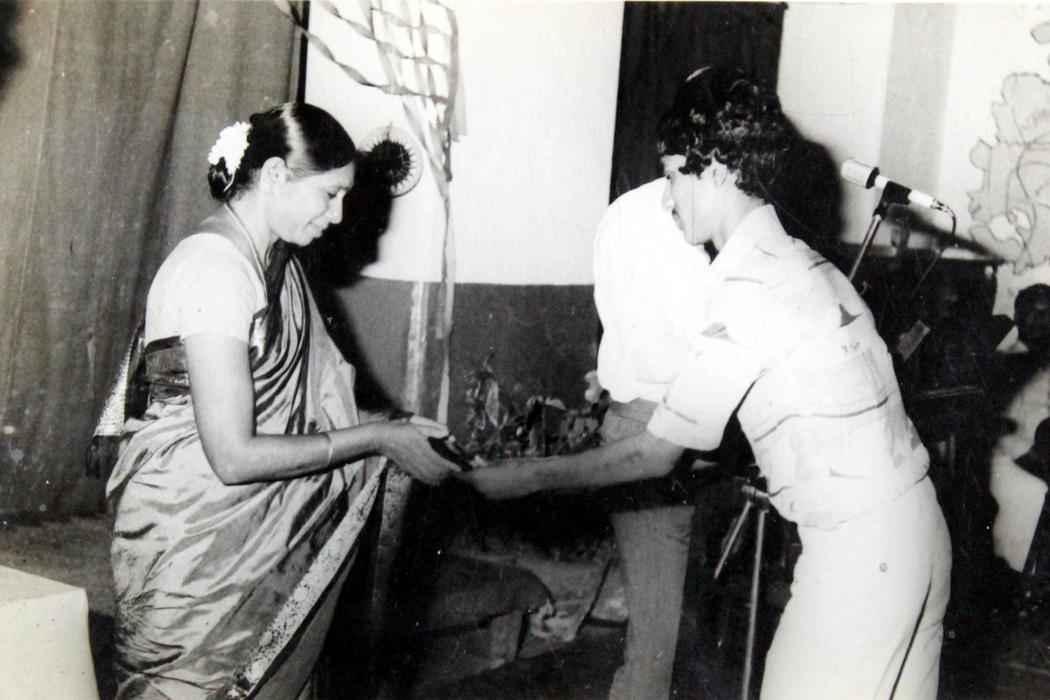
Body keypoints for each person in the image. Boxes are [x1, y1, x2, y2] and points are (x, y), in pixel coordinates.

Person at [460, 67, 952, 699]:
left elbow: (654, 453)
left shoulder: (748, 284)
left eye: (672, 176)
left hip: (861, 557)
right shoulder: (808, 262)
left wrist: (515, 479)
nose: (667, 199)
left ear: (716, 171)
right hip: (919, 531)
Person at [105, 102, 460, 699]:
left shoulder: (274, 266)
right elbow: (233, 457)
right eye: (329, 194)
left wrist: (390, 426)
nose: (338, 214)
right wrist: (376, 438)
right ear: (273, 175)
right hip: (196, 551)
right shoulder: (215, 269)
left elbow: (305, 406)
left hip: (248, 545)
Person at [590, 165, 711, 698]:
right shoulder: (656, 218)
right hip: (653, 423)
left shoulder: (632, 210)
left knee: (663, 630)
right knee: (656, 645)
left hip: (664, 423)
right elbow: (669, 351)